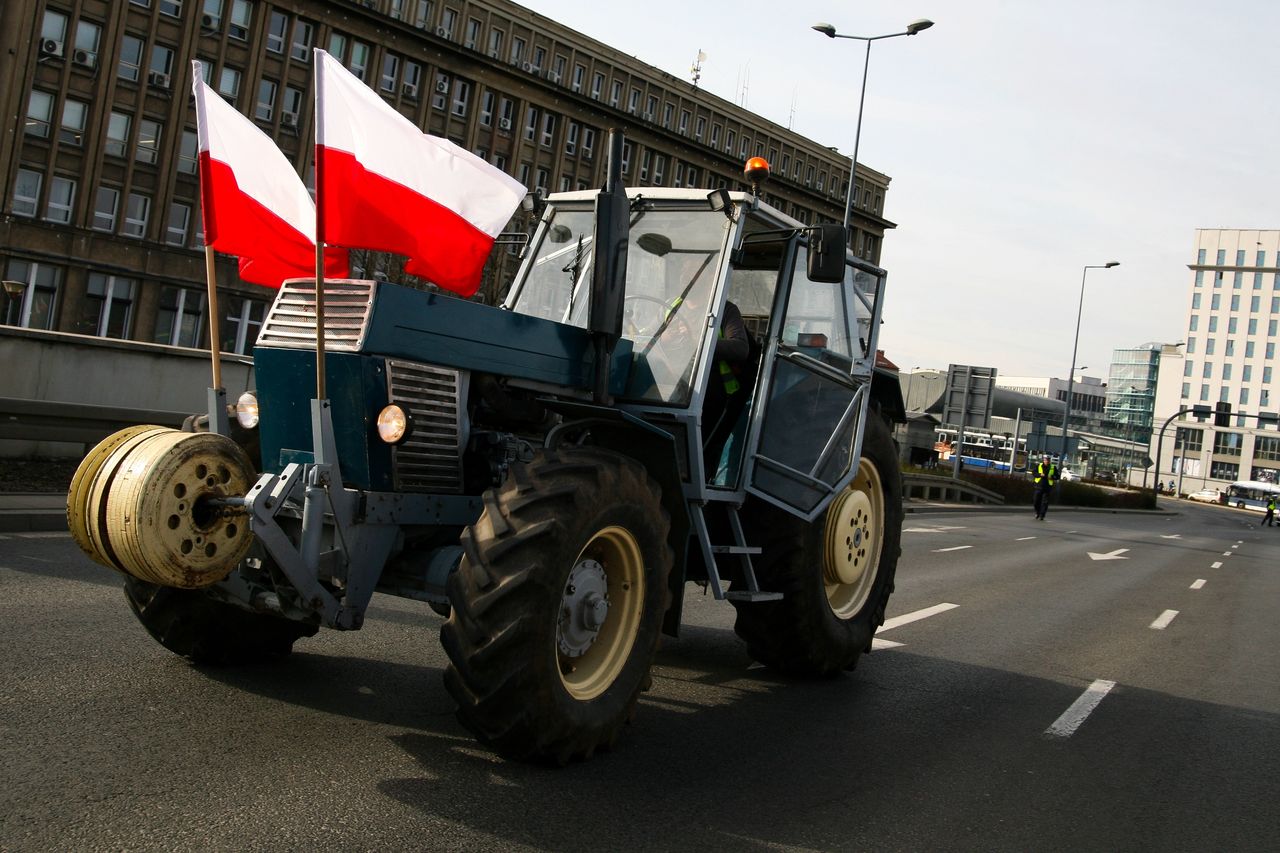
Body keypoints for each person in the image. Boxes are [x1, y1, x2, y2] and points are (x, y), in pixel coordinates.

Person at [1033, 454, 1057, 520]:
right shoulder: (1039, 466)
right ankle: (1037, 512)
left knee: (1045, 502)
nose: (1047, 461)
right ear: (1043, 460)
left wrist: (1052, 477)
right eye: (1045, 460)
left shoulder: (1053, 467)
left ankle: (1042, 515)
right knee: (1036, 501)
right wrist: (1040, 474)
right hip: (1038, 487)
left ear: (1050, 461)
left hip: (1047, 488)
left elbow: (1057, 476)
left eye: (1048, 460)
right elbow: (1034, 473)